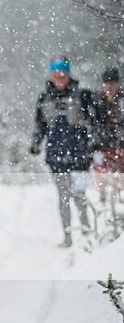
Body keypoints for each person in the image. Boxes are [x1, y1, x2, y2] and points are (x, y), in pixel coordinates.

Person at [30, 57, 95, 248]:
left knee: (80, 197)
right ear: (51, 75)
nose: (59, 77)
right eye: (56, 74)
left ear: (68, 75)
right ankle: (68, 236)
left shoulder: (82, 96)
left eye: (63, 74)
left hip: (81, 157)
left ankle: (87, 232)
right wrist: (35, 142)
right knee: (63, 199)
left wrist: (93, 144)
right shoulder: (44, 98)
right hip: (56, 158)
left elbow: (93, 122)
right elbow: (39, 124)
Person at [91, 67, 124, 203]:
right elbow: (93, 123)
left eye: (112, 83)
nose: (109, 86)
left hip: (119, 144)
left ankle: (119, 198)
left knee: (120, 174)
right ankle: (102, 196)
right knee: (99, 171)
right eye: (106, 83)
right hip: (100, 145)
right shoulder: (97, 101)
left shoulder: (122, 101)